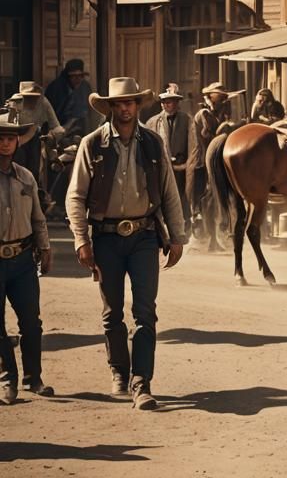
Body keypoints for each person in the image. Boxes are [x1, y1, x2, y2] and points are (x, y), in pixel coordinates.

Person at [65, 78, 186, 409]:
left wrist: (177, 236)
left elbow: (169, 192)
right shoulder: (93, 144)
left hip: (145, 236)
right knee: (112, 312)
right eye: (119, 104)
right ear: (110, 108)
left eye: (131, 103)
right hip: (105, 238)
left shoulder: (152, 142)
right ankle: (119, 371)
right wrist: (81, 239)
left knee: (146, 312)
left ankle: (141, 382)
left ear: (137, 106)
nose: (126, 108)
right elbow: (75, 196)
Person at [0, 118, 53, 402]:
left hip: (22, 258)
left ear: (18, 141)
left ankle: (34, 378)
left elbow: (38, 219)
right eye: (1, 138)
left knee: (31, 322)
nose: (5, 142)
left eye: (11, 137)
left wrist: (45, 249)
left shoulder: (26, 177)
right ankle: (8, 379)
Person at [187, 81, 242, 232]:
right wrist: (225, 126)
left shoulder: (221, 113)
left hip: (217, 159)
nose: (222, 102)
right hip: (203, 161)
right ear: (210, 99)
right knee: (206, 199)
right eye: (219, 99)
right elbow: (211, 136)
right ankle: (206, 233)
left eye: (223, 100)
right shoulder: (204, 114)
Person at [148, 84, 195, 234]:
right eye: (164, 102)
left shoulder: (187, 119)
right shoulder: (153, 122)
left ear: (177, 103)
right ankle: (163, 227)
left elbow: (194, 145)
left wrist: (188, 165)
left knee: (182, 197)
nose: (167, 104)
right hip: (162, 168)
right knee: (163, 197)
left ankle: (183, 227)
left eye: (171, 101)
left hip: (182, 168)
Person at [12, 82, 64, 191]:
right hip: (16, 138)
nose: (33, 101)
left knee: (35, 170)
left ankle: (37, 195)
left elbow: (57, 127)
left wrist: (51, 137)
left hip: (36, 138)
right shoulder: (15, 103)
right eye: (29, 98)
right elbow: (8, 125)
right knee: (16, 169)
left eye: (35, 97)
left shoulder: (43, 102)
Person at [45, 58, 94, 136]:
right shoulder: (56, 88)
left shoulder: (84, 87)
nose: (77, 79)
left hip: (79, 128)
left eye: (80, 76)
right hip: (58, 127)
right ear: (67, 77)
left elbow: (84, 112)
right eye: (74, 76)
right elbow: (50, 114)